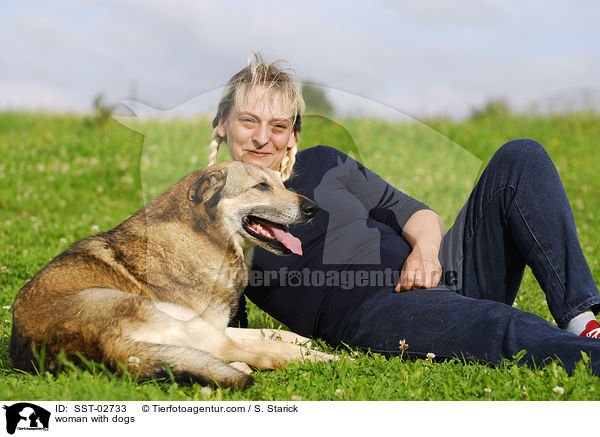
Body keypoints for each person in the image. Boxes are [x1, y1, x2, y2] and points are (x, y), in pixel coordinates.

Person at [206, 53, 600, 374]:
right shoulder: (214, 219)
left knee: (520, 157)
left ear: (293, 135)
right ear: (222, 124)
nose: (262, 138)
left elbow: (419, 216)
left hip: (443, 271)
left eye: (278, 126)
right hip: (374, 309)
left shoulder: (326, 163)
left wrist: (426, 252)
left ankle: (583, 319)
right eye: (248, 121)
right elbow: (222, 327)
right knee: (500, 325)